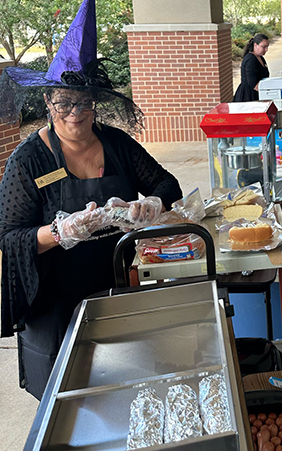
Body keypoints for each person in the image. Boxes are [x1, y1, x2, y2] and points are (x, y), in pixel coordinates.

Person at [0, 0, 182, 400]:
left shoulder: (117, 144)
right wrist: (59, 231)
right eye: (63, 102)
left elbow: (169, 185)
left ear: (95, 103)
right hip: (54, 302)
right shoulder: (28, 160)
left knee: (120, 386)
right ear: (48, 102)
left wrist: (151, 204)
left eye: (83, 102)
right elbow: (10, 238)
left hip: (113, 285)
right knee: (66, 399)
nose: (74, 113)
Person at [233, 34, 270, 102]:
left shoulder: (260, 57)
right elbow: (253, 84)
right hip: (248, 96)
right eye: (264, 47)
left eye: (267, 47)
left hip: (256, 93)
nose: (266, 49)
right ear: (255, 45)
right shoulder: (250, 60)